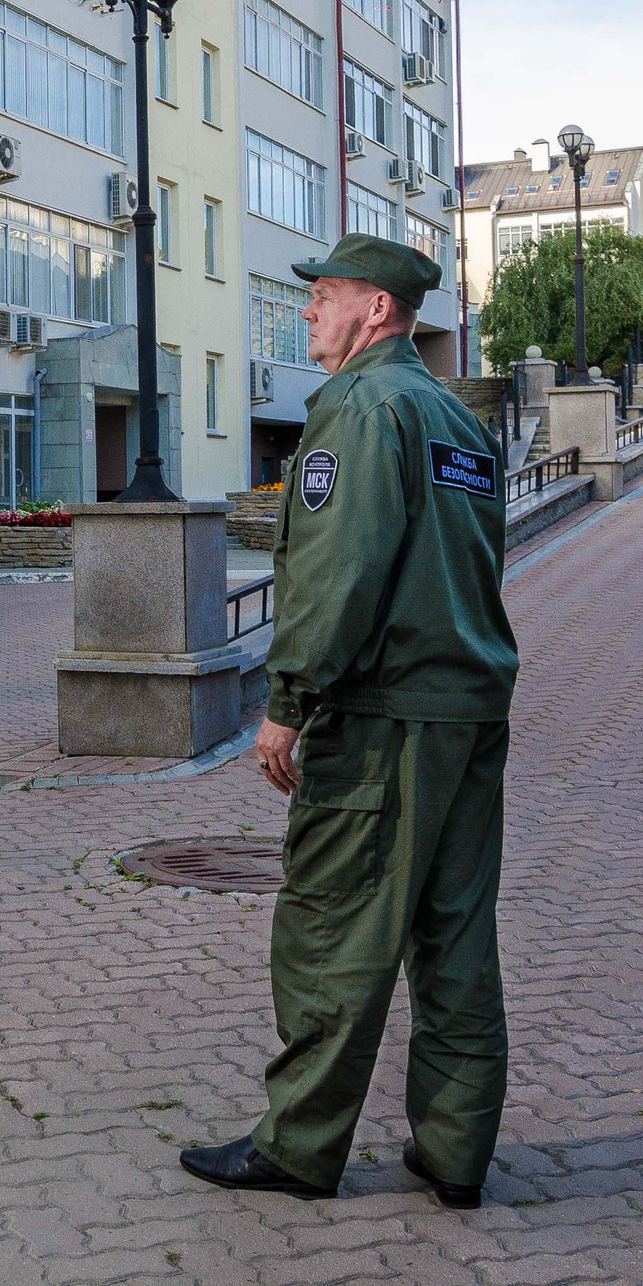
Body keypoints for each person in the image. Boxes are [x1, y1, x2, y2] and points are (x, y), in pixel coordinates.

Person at [180, 233, 520, 1210]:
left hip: (382, 715)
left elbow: (342, 569)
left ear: (374, 311)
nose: (306, 313)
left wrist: (289, 703)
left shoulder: (361, 407)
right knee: (453, 936)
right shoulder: (451, 417)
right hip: (467, 707)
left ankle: (298, 1145)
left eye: (322, 296)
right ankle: (456, 1152)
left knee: (333, 925)